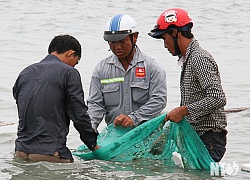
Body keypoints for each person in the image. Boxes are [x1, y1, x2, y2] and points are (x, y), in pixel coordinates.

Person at [148, 8, 227, 162]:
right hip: (197, 137)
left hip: (208, 139)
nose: (165, 45)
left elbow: (218, 98)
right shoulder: (187, 60)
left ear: (175, 33)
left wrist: (184, 110)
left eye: (164, 38)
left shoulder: (199, 58)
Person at [13, 34, 99, 163]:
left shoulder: (25, 72)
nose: (74, 66)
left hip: (21, 151)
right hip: (51, 153)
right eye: (76, 62)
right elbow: (79, 114)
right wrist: (93, 144)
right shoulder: (69, 73)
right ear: (71, 54)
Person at [87, 14, 167, 131]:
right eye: (112, 42)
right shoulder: (101, 70)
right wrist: (90, 128)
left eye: (122, 41)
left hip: (148, 134)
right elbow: (95, 104)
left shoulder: (152, 67)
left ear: (135, 37)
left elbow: (159, 100)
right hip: (116, 137)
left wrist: (133, 118)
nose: (117, 47)